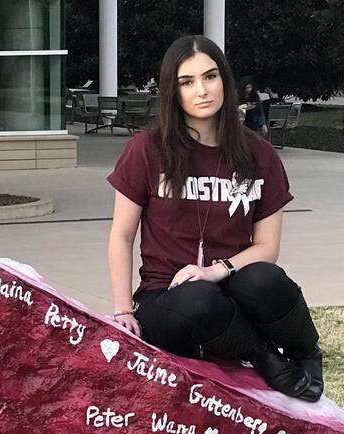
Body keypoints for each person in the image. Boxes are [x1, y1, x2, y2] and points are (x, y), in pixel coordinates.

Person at [105, 35, 323, 402]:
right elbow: (121, 236)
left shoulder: (260, 155)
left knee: (264, 279)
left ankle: (306, 352)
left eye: (210, 77)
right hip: (168, 298)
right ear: (172, 92)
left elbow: (267, 248)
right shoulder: (147, 150)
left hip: (230, 285)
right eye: (187, 82)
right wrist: (123, 309)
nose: (202, 91)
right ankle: (263, 356)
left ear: (225, 80)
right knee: (198, 300)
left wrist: (216, 270)